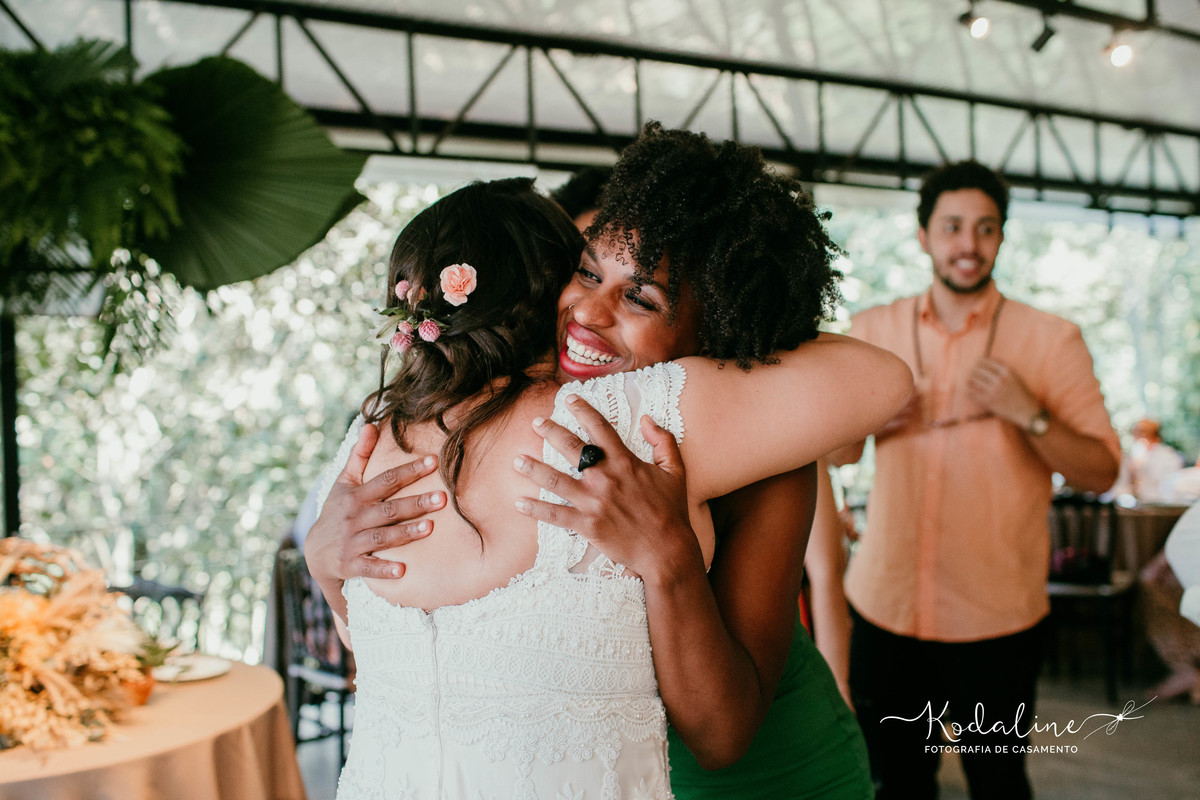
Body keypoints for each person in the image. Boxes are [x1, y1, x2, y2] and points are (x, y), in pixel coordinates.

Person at [308, 126, 909, 798]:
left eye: (641, 297)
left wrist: (667, 552)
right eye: (586, 272)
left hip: (767, 774)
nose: (586, 311)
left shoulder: (759, 454)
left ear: (716, 338)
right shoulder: (536, 409)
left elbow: (723, 735)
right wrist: (328, 561)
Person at [830, 160, 1121, 800]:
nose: (968, 245)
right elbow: (839, 454)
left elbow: (1102, 472)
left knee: (997, 781)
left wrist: (1032, 416)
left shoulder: (1052, 339)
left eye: (986, 229)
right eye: (953, 226)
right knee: (896, 782)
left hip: (998, 616)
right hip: (885, 605)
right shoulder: (875, 331)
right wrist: (869, 415)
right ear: (923, 235)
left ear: (1002, 237)